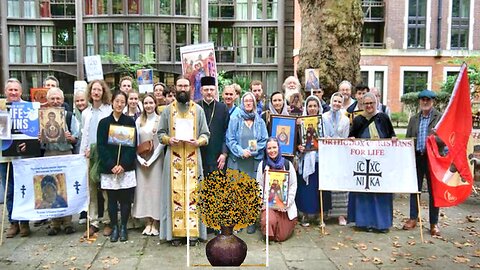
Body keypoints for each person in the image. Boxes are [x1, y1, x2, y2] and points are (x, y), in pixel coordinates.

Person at [158, 76, 210, 246]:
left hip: (194, 159)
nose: (182, 88)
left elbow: (206, 135)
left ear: (190, 89)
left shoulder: (198, 110)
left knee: (194, 194)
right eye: (179, 85)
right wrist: (168, 140)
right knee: (174, 195)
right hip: (172, 159)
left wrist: (198, 142)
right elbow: (160, 134)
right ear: (175, 88)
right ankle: (174, 234)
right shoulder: (167, 110)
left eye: (185, 86)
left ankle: (193, 234)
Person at [348, 92, 396, 233]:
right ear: (362, 104)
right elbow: (351, 137)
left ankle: (381, 224)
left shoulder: (383, 118)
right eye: (366, 103)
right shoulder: (358, 120)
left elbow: (391, 134)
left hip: (380, 162)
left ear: (376, 104)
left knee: (380, 191)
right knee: (364, 192)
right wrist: (351, 139)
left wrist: (393, 138)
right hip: (363, 162)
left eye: (371, 103)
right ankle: (363, 222)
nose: (369, 106)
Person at [226, 92, 268, 234]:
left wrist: (251, 151)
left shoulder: (259, 121)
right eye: (246, 101)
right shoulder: (234, 119)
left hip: (253, 162)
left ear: (254, 104)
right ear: (242, 103)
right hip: (238, 160)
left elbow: (264, 140)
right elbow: (230, 139)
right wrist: (240, 151)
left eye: (251, 101)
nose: (248, 103)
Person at [97, 91, 137, 242]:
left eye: (122, 102)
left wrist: (123, 165)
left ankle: (124, 226)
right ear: (112, 102)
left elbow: (132, 146)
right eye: (117, 101)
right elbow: (101, 146)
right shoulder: (104, 123)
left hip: (125, 167)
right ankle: (114, 226)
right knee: (112, 199)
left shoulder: (129, 122)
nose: (119, 104)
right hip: (110, 168)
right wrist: (112, 165)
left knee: (125, 198)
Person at [403, 89, 442, 236]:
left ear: (433, 102)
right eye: (423, 100)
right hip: (417, 157)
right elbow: (407, 139)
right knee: (415, 189)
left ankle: (434, 223)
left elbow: (444, 140)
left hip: (432, 159)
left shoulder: (440, 117)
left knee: (434, 192)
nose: (425, 102)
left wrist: (433, 140)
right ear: (419, 101)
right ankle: (413, 218)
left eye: (428, 100)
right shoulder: (413, 119)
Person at [41, 87, 79, 235]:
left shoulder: (69, 116)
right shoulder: (42, 117)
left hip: (65, 153)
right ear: (48, 100)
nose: (56, 101)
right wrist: (39, 139)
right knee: (50, 186)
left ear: (63, 100)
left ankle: (68, 222)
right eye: (52, 99)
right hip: (49, 154)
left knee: (65, 188)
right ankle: (54, 223)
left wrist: (71, 137)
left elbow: (77, 137)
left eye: (58, 99)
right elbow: (38, 143)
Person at [79, 80, 113, 238]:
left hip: (104, 154)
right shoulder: (86, 112)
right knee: (91, 190)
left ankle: (107, 221)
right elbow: (84, 135)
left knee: (106, 189)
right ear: (90, 92)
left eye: (99, 90)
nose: (96, 92)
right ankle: (93, 222)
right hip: (89, 155)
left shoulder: (108, 111)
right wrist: (82, 154)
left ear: (103, 92)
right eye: (94, 90)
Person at [1, 78, 31, 238]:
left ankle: (25, 222)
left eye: (16, 90)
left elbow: (32, 132)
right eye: (10, 90)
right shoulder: (0, 108)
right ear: (6, 91)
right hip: (4, 156)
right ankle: (13, 222)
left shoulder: (27, 108)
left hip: (23, 156)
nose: (13, 92)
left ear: (20, 92)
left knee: (23, 189)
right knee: (9, 190)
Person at [296, 95, 331, 227]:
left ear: (319, 107)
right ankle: (305, 214)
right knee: (307, 188)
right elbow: (297, 141)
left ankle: (319, 215)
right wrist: (299, 147)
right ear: (306, 107)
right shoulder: (301, 122)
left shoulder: (323, 122)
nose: (312, 108)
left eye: (315, 106)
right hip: (306, 159)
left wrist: (325, 141)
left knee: (319, 188)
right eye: (309, 106)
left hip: (320, 159)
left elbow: (328, 139)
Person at [133, 94, 164, 236]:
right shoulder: (139, 120)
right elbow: (134, 142)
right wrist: (139, 160)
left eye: (151, 102)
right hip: (142, 161)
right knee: (144, 191)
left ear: (155, 104)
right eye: (146, 103)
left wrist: (152, 161)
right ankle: (147, 221)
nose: (148, 105)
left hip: (156, 161)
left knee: (155, 191)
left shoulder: (160, 119)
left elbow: (162, 143)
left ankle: (156, 221)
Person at [256, 137, 298, 242]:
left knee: (281, 237)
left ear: (279, 148)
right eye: (269, 148)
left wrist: (286, 203)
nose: (272, 151)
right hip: (269, 205)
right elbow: (259, 185)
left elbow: (293, 185)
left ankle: (278, 228)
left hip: (284, 206)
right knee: (268, 222)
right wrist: (267, 200)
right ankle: (268, 228)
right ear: (266, 150)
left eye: (274, 147)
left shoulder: (288, 165)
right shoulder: (262, 165)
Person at [322, 93, 350, 226]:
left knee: (340, 185)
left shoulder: (345, 120)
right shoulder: (323, 117)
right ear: (331, 101)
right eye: (335, 101)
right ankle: (327, 212)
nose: (337, 103)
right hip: (327, 154)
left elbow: (345, 138)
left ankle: (341, 215)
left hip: (339, 155)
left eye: (340, 102)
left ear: (342, 103)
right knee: (328, 182)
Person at [197, 76, 230, 177]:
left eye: (211, 89)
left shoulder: (222, 108)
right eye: (206, 90)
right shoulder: (196, 107)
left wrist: (224, 153)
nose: (209, 92)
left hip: (218, 156)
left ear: (215, 91)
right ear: (201, 91)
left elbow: (227, 132)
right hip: (200, 154)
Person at [73, 89, 90, 223]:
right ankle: (82, 212)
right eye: (77, 101)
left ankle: (90, 212)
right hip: (75, 152)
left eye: (82, 100)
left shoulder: (89, 113)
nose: (80, 103)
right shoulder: (72, 115)